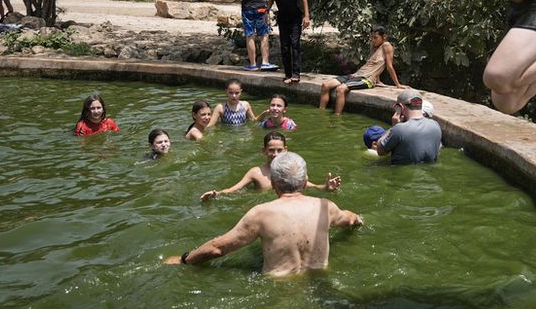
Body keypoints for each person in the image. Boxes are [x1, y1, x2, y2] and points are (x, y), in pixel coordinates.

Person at [170, 152, 361, 276]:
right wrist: (359, 220)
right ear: (305, 182)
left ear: (273, 184)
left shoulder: (260, 214)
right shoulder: (324, 207)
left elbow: (217, 249)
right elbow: (350, 219)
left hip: (278, 289)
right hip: (319, 280)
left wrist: (184, 259)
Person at [200, 132, 340, 200]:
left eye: (279, 150)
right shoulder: (256, 172)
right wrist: (216, 194)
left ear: (286, 150)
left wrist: (326, 188)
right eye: (271, 150)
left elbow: (310, 186)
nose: (275, 154)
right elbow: (234, 189)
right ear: (264, 151)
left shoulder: (291, 169)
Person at [319, 26, 408, 115]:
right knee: (325, 85)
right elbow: (374, 65)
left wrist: (398, 84)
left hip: (366, 79)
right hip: (356, 75)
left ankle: (336, 118)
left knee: (340, 89)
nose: (373, 40)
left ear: (384, 37)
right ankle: (320, 113)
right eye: (371, 38)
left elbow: (389, 66)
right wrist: (378, 80)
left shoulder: (386, 45)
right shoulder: (373, 47)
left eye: (376, 38)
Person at [267, 0, 310, 84]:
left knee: (294, 43)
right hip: (283, 18)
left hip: (295, 17)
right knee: (285, 46)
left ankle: (296, 73)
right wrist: (267, 10)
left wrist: (306, 16)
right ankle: (287, 74)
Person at [374, 90, 442, 165]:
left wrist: (393, 126)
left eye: (396, 107)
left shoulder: (399, 129)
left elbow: (380, 151)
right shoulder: (435, 125)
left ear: (402, 107)